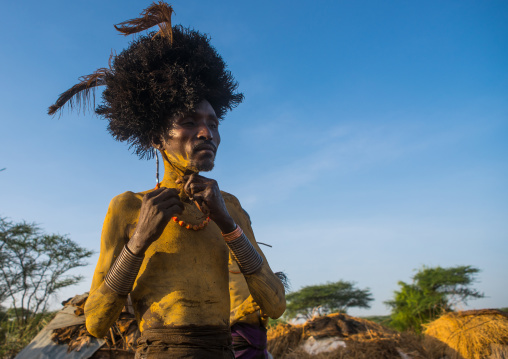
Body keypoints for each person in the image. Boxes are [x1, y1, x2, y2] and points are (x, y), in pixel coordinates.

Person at [48, 3, 285, 358]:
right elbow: (97, 322)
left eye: (214, 123)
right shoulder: (128, 207)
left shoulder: (230, 207)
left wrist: (227, 225)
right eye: (190, 121)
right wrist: (139, 242)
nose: (206, 132)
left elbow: (276, 305)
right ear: (156, 137)